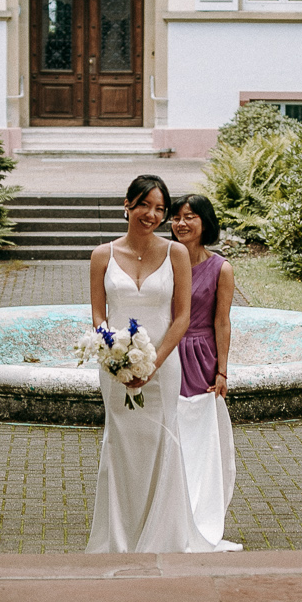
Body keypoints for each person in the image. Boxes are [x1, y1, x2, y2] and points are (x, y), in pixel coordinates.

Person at [85, 175, 229, 553]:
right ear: (128, 205)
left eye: (160, 209)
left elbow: (181, 316)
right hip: (115, 367)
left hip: (162, 366)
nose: (153, 214)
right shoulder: (102, 255)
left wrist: (154, 362)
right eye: (145, 205)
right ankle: (118, 536)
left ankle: (163, 534)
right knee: (120, 443)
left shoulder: (175, 254)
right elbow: (99, 315)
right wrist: (111, 352)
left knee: (162, 440)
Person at [168, 194, 242, 551]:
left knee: (199, 439)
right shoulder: (163, 259)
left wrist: (223, 370)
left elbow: (222, 321)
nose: (181, 224)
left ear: (204, 222)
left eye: (190, 217)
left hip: (200, 355)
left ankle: (200, 515)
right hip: (165, 352)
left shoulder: (220, 269)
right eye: (177, 217)